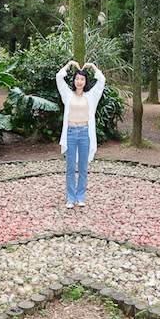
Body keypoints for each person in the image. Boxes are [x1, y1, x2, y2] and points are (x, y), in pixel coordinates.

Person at [56, 59, 106, 209]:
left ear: (85, 81)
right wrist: (70, 64)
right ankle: (70, 198)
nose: (79, 81)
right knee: (71, 167)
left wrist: (92, 66)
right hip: (71, 133)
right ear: (74, 81)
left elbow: (102, 80)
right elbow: (59, 77)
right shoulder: (67, 95)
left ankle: (81, 196)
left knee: (83, 167)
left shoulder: (91, 96)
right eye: (77, 78)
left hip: (85, 134)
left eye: (82, 79)